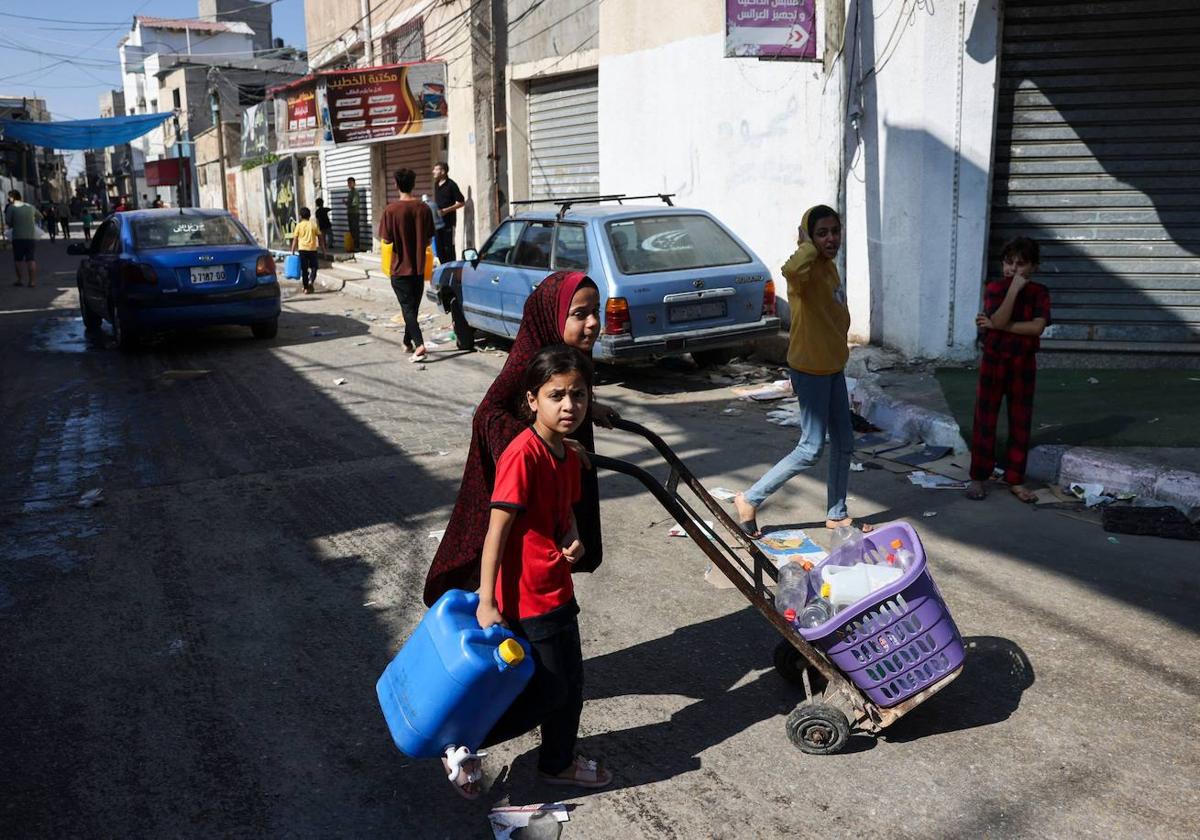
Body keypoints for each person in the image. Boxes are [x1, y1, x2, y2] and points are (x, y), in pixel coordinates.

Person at [441, 344, 614, 799]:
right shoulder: (524, 455)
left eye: (578, 395)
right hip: (525, 596)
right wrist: (487, 600)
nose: (569, 405)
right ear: (532, 399)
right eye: (556, 395)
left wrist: (572, 533)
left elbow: (564, 511)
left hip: (555, 586)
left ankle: (557, 763)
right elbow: (495, 531)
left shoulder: (565, 451)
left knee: (571, 682)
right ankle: (462, 745)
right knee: (547, 691)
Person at [424, 271, 613, 608]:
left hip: (554, 483)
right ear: (554, 315)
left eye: (595, 311)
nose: (593, 323)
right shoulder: (531, 358)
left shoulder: (569, 355)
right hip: (524, 483)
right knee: (521, 563)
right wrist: (542, 442)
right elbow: (488, 414)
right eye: (580, 314)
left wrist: (593, 407)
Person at [734, 205, 870, 538]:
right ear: (809, 236)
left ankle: (837, 513)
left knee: (844, 440)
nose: (831, 239)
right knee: (811, 447)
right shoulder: (805, 271)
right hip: (810, 368)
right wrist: (807, 243)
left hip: (832, 366)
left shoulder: (828, 267)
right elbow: (790, 270)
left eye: (835, 231)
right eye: (821, 233)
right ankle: (750, 498)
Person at [966, 236, 1051, 503]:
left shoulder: (1040, 292)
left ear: (1034, 266)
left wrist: (995, 325)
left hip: (1023, 362)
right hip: (994, 360)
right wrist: (1013, 290)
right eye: (1008, 262)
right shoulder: (994, 288)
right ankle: (978, 476)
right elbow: (1001, 318)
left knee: (1020, 421)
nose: (1013, 269)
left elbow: (1036, 327)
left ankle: (1014, 479)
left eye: (1021, 264)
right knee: (985, 419)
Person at [377, 168, 435, 361]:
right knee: (412, 308)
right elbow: (428, 240)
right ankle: (407, 342)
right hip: (418, 267)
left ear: (395, 184)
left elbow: (385, 240)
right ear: (414, 183)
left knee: (408, 309)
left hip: (399, 268)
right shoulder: (424, 209)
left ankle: (419, 344)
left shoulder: (390, 210)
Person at [6, 190, 42, 287]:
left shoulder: (11, 208)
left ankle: (20, 280)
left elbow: (8, 222)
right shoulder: (30, 206)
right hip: (30, 236)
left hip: (17, 237)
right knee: (31, 259)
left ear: (13, 197)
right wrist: (31, 222)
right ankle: (32, 281)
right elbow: (40, 216)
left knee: (18, 260)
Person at [431, 161, 465, 263]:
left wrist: (446, 210)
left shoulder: (451, 185)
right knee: (439, 250)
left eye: (436, 169)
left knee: (448, 249)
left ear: (443, 171)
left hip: (448, 223)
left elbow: (461, 202)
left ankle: (451, 270)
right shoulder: (436, 184)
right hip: (437, 222)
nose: (433, 172)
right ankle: (443, 270)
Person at [291, 207, 324, 295]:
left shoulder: (299, 225)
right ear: (309, 216)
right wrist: (324, 250)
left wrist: (293, 250)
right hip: (312, 249)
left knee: (304, 269)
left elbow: (295, 239)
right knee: (314, 267)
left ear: (301, 216)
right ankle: (311, 281)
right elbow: (320, 237)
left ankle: (306, 288)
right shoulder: (313, 225)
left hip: (302, 250)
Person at [343, 177, 361, 251]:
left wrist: (346, 203)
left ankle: (357, 246)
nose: (349, 184)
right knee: (352, 230)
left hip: (354, 213)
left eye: (350, 183)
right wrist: (346, 202)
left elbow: (355, 203)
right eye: (348, 183)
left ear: (354, 183)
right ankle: (353, 246)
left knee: (355, 229)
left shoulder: (355, 192)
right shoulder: (350, 192)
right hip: (350, 213)